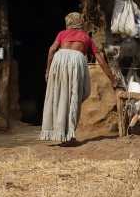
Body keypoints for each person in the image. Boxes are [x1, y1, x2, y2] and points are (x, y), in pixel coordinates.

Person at [40, 12, 119, 146]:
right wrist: (112, 79)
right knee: (73, 98)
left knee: (59, 97)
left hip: (59, 62)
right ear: (80, 23)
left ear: (69, 23)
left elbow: (52, 50)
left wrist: (48, 69)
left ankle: (57, 132)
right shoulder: (85, 37)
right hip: (76, 62)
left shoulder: (62, 34)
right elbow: (99, 58)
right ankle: (69, 136)